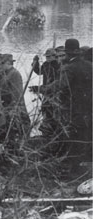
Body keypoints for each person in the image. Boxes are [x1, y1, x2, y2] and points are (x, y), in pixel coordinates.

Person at [42, 38, 93, 176]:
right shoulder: (90, 65)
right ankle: (85, 165)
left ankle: (74, 169)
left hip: (73, 109)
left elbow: (60, 85)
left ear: (68, 53)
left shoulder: (68, 68)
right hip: (89, 108)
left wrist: (43, 89)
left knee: (72, 137)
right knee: (86, 135)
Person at [0, 54, 30, 149]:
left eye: (2, 64)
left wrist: (13, 107)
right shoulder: (6, 73)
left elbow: (17, 93)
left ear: (7, 63)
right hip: (8, 107)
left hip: (14, 108)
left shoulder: (14, 74)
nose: (0, 66)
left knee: (17, 132)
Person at [30, 48, 61, 140]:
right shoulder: (46, 64)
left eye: (49, 57)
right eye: (46, 57)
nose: (47, 58)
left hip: (53, 90)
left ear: (54, 57)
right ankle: (47, 131)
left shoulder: (57, 65)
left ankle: (51, 131)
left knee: (51, 109)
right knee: (45, 108)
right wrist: (35, 63)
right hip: (46, 89)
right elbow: (40, 72)